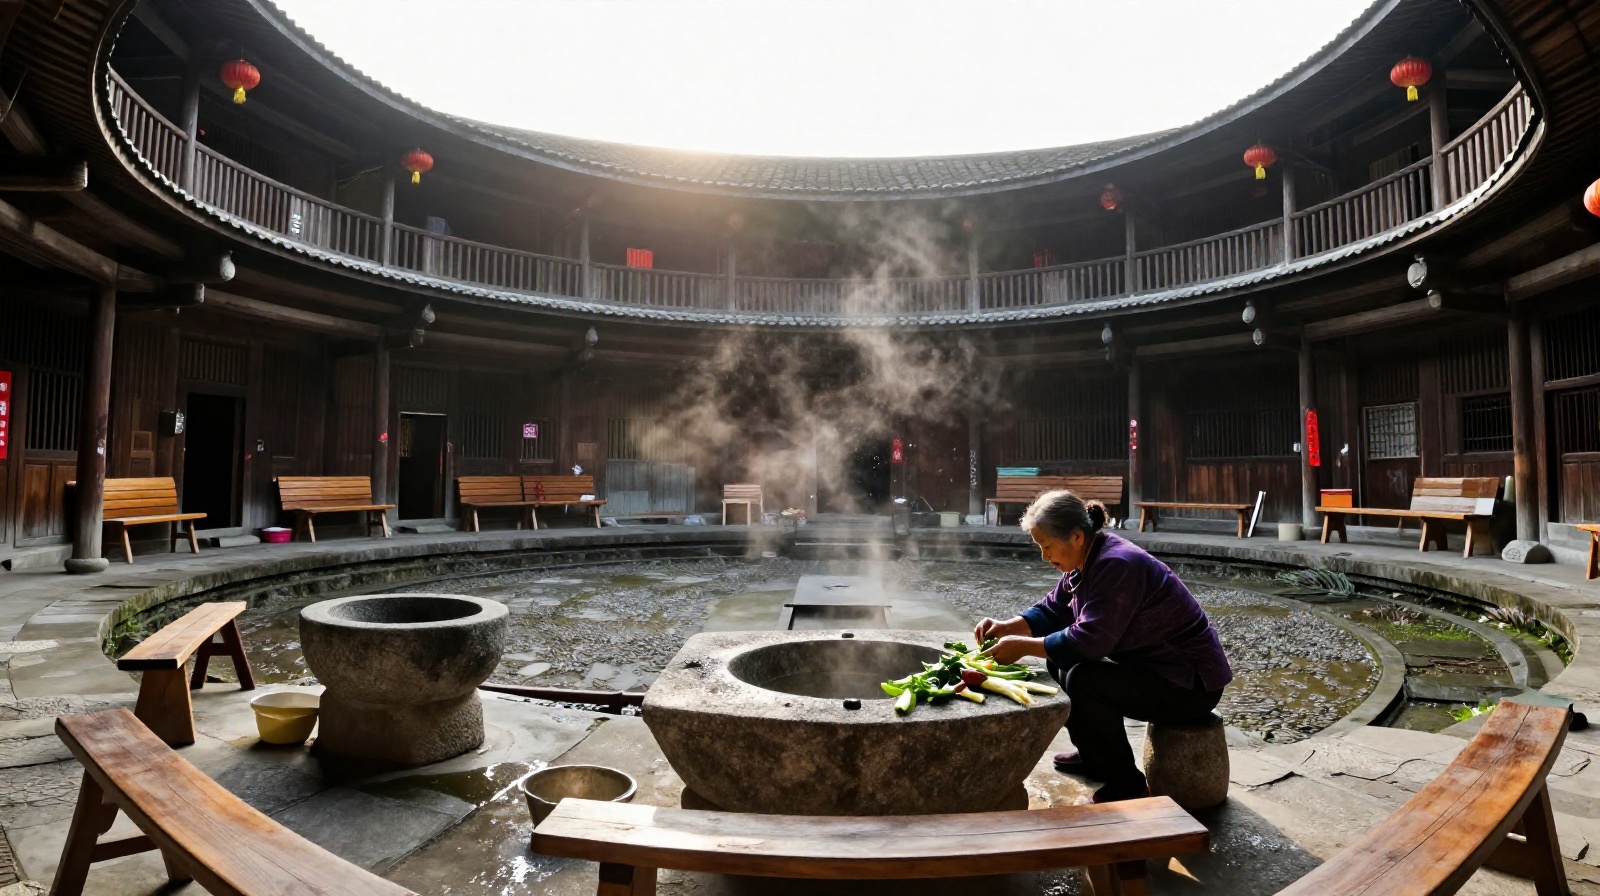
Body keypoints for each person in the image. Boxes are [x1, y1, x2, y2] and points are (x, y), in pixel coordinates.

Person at [973, 489, 1232, 803]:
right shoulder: (1086, 558)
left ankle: (1127, 783)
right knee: (1059, 663)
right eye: (1040, 546)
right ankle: (1096, 758)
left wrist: (1024, 646)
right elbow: (1054, 609)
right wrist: (1006, 626)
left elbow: (1089, 642)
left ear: (1077, 537)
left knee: (1083, 679)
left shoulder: (1117, 565)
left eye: (1048, 545)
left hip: (1189, 684)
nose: (1045, 556)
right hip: (1152, 668)